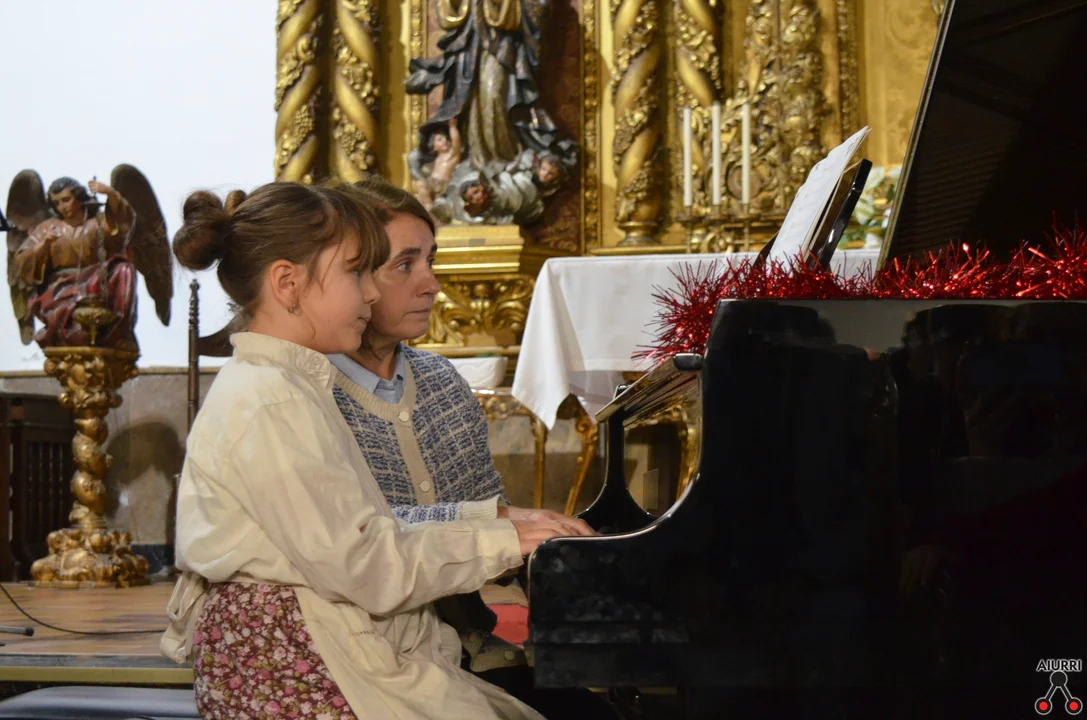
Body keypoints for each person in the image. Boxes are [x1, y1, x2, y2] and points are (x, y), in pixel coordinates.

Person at [161, 179, 581, 719]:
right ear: (288, 284)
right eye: (356, 272)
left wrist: (502, 525)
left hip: (322, 646)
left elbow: (363, 534)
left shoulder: (287, 386)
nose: (371, 294)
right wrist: (503, 539)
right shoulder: (270, 400)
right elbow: (368, 565)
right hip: (304, 665)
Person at [329, 177, 615, 717]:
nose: (432, 284)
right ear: (352, 275)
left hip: (470, 650)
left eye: (431, 260)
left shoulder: (442, 382)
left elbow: (492, 520)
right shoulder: (313, 393)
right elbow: (360, 540)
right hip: (374, 657)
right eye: (405, 264)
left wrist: (567, 555)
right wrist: (502, 526)